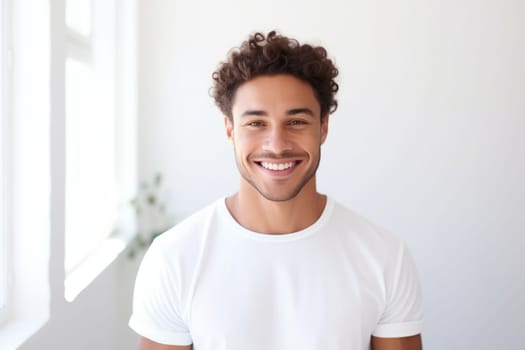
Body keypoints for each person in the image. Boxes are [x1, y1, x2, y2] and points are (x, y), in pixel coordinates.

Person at [129, 31, 424, 350]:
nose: (277, 145)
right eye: (256, 123)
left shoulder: (384, 257)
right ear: (229, 129)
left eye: (296, 122)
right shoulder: (174, 258)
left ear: (323, 127)